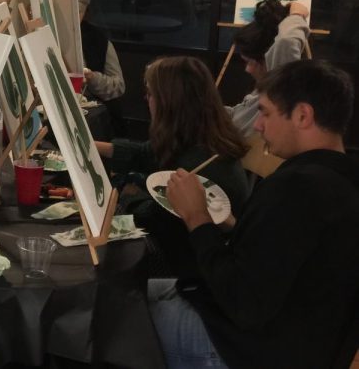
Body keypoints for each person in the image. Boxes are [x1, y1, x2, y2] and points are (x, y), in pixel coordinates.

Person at [154, 60, 359, 369]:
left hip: (255, 352)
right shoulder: (342, 178)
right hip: (310, 345)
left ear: (303, 115)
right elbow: (281, 261)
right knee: (147, 289)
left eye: (265, 112)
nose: (259, 125)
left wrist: (197, 217)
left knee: (124, 316)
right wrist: (233, 224)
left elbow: (241, 303)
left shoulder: (301, 187)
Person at [95, 57, 249, 275]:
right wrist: (88, 145)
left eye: (150, 94)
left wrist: (127, 195)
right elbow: (146, 152)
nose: (146, 100)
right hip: (186, 256)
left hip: (189, 274)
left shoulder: (201, 161)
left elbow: (152, 216)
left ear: (170, 102)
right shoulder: (198, 135)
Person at [227, 0, 309, 138]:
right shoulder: (263, 89)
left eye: (251, 62)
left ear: (268, 58)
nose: (248, 69)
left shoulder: (279, 88)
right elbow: (239, 116)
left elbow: (286, 41)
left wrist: (296, 15)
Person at [70, 0, 125, 102]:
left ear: (85, 12)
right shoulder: (44, 35)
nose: (71, 16)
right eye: (66, 9)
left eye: (77, 11)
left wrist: (93, 78)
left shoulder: (98, 39)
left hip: (88, 108)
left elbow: (119, 86)